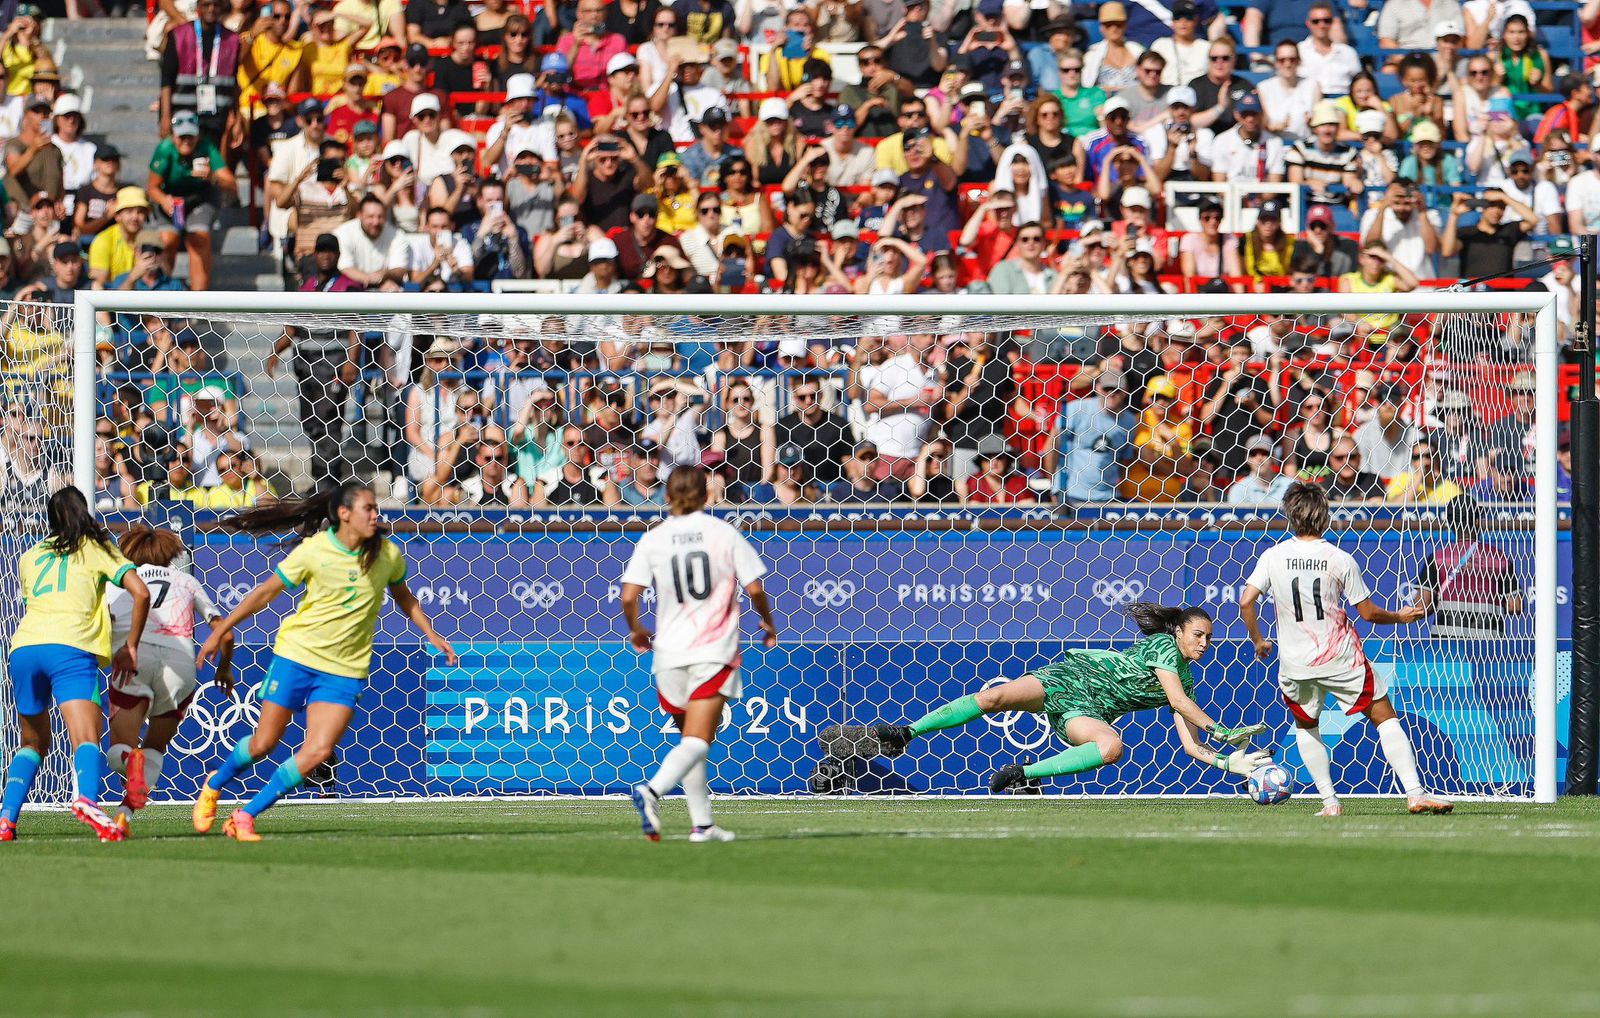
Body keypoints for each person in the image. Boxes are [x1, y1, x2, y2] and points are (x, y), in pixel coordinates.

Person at [193, 483, 458, 841]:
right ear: (344, 514)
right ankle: (215, 785)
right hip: (297, 656)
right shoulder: (315, 551)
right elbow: (264, 593)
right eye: (368, 508)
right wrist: (220, 629)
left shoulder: (388, 555)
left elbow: (404, 597)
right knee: (263, 744)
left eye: (376, 508)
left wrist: (431, 632)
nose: (376, 515)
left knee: (318, 752)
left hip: (345, 669)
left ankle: (245, 815)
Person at [856, 602, 1269, 793]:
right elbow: (1182, 707)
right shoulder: (1164, 649)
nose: (1204, 643)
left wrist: (1226, 762)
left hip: (1087, 708)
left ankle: (1025, 776)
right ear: (1178, 632)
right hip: (1069, 677)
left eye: (1210, 638)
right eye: (1198, 635)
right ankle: (906, 734)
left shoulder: (1183, 682)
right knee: (995, 698)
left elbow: (1189, 743)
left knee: (1110, 746)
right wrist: (1224, 730)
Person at [1239, 481, 1454, 816]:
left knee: (1306, 726)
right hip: (1340, 656)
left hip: (1296, 663)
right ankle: (1415, 793)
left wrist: (1258, 639)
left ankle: (1330, 803)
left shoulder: (1273, 556)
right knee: (1383, 716)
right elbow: (1367, 613)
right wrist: (1400, 616)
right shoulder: (1339, 559)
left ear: (1290, 517)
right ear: (1324, 517)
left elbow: (1245, 602)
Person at [620, 465, 778, 842]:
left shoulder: (654, 539)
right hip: (711, 650)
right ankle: (651, 791)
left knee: (689, 741)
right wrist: (767, 622)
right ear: (707, 495)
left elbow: (629, 596)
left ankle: (702, 825)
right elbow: (755, 587)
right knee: (698, 740)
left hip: (669, 654)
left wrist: (637, 629)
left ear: (668, 496)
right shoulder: (723, 534)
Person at [0, 486, 151, 843]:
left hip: (24, 648)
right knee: (85, 737)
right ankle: (86, 800)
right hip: (71, 647)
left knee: (32, 742)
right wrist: (129, 646)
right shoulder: (97, 547)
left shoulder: (31, 554)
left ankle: (6, 820)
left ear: (50, 519)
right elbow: (141, 592)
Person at [103, 525, 232, 834]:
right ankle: (124, 817)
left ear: (130, 552)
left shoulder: (118, 582)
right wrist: (224, 668)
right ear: (170, 554)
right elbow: (224, 632)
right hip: (181, 666)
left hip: (134, 660)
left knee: (120, 749)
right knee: (154, 749)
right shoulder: (186, 581)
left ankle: (128, 764)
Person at [1414, 493, 1523, 640]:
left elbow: (1422, 608)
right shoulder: (1499, 557)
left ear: (1450, 523)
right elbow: (1515, 606)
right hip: (1489, 645)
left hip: (1446, 645)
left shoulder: (1438, 558)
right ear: (1477, 522)